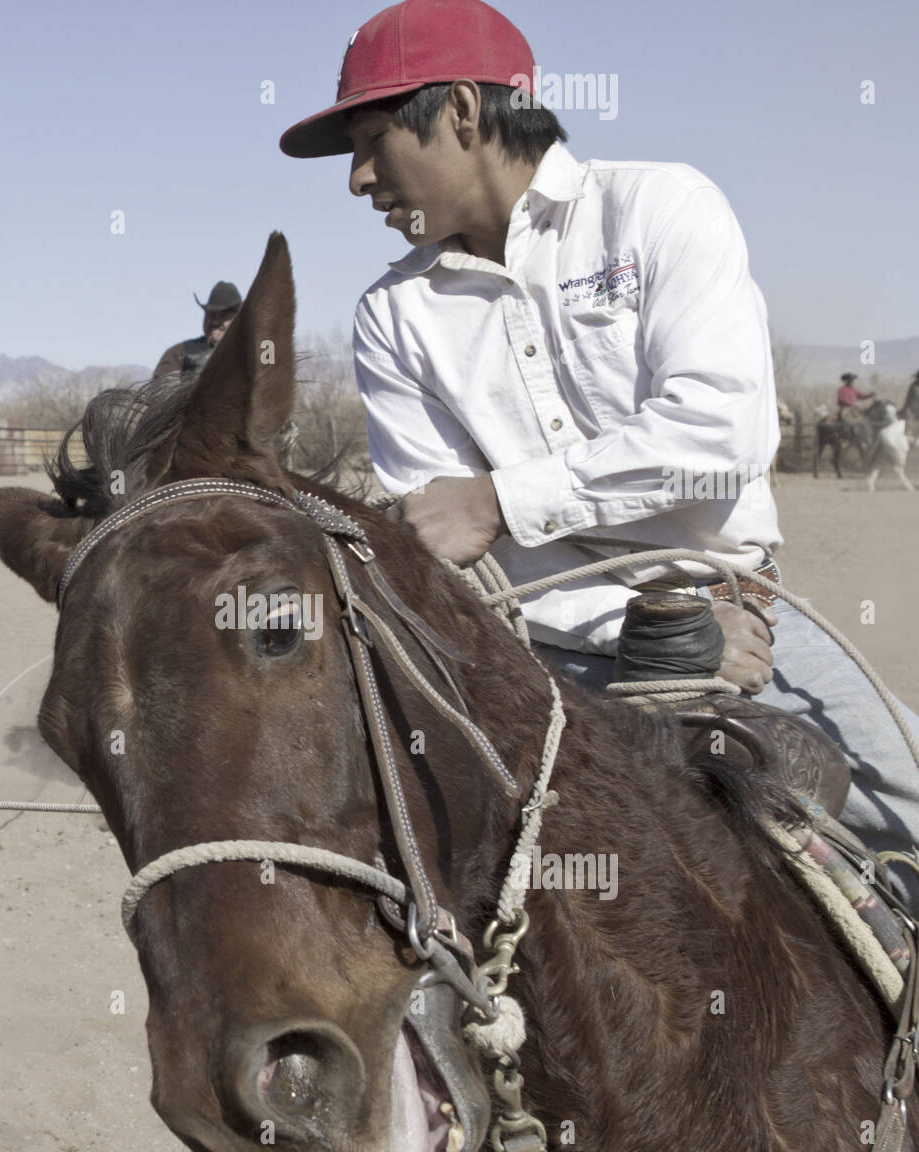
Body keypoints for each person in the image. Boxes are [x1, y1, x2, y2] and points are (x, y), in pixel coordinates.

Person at [278, 0, 919, 902]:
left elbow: (721, 433)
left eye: (373, 138)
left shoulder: (660, 209)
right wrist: (655, 639)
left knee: (908, 792)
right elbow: (452, 548)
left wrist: (502, 498)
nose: (357, 178)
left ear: (461, 111)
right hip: (548, 655)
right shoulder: (392, 316)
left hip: (738, 611)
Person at [153, 281, 242, 378]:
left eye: (223, 316)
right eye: (211, 315)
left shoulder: (254, 352)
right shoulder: (179, 353)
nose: (215, 322)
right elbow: (162, 388)